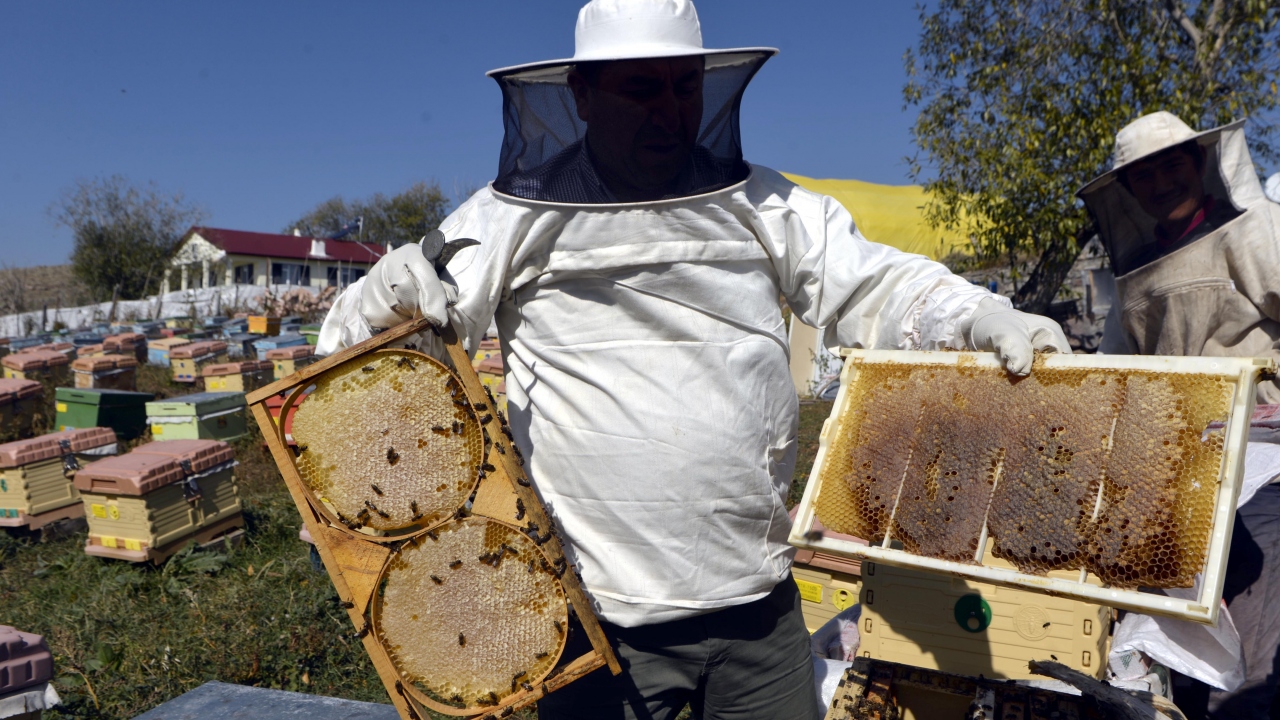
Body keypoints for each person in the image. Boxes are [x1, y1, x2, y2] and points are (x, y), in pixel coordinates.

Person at [319, 1, 1069, 717]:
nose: (669, 110)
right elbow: (372, 356)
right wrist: (384, 300)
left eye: (685, 86)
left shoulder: (765, 206)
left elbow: (876, 283)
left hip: (758, 606)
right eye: (642, 88)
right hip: (597, 617)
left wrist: (975, 315)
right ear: (582, 94)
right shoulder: (508, 217)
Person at [1080, 112, 1280, 719]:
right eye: (1144, 175)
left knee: (1251, 617)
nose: (1162, 182)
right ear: (1128, 190)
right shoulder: (1138, 263)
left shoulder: (1251, 229)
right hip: (1179, 467)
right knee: (1183, 626)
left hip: (1259, 459)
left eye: (1172, 165)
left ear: (1199, 163)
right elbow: (1118, 365)